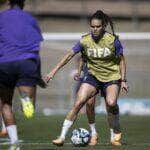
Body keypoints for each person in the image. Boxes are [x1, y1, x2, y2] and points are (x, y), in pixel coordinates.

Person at [44, 10, 128, 146]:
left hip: (111, 76)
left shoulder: (113, 41)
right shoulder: (84, 40)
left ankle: (115, 131)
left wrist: (123, 80)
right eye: (92, 27)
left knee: (111, 103)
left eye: (98, 27)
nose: (95, 29)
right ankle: (62, 137)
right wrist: (53, 72)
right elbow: (70, 56)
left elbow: (122, 61)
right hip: (93, 76)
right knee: (80, 103)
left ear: (103, 26)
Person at [0, 0, 43, 145]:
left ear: (8, 2)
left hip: (5, 63)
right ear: (23, 3)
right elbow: (36, 48)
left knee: (6, 103)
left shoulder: (1, 17)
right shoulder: (30, 19)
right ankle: (26, 98)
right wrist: (38, 74)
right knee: (28, 109)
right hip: (27, 62)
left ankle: (14, 140)